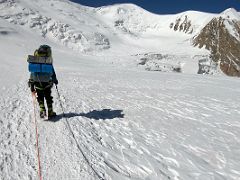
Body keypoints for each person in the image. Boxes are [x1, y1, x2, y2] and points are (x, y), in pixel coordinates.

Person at [28, 45, 58, 118]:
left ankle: (42, 110)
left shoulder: (35, 60)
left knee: (40, 96)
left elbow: (32, 73)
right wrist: (55, 80)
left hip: (37, 81)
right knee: (48, 96)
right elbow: (52, 71)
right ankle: (50, 111)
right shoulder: (47, 60)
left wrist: (31, 85)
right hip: (47, 82)